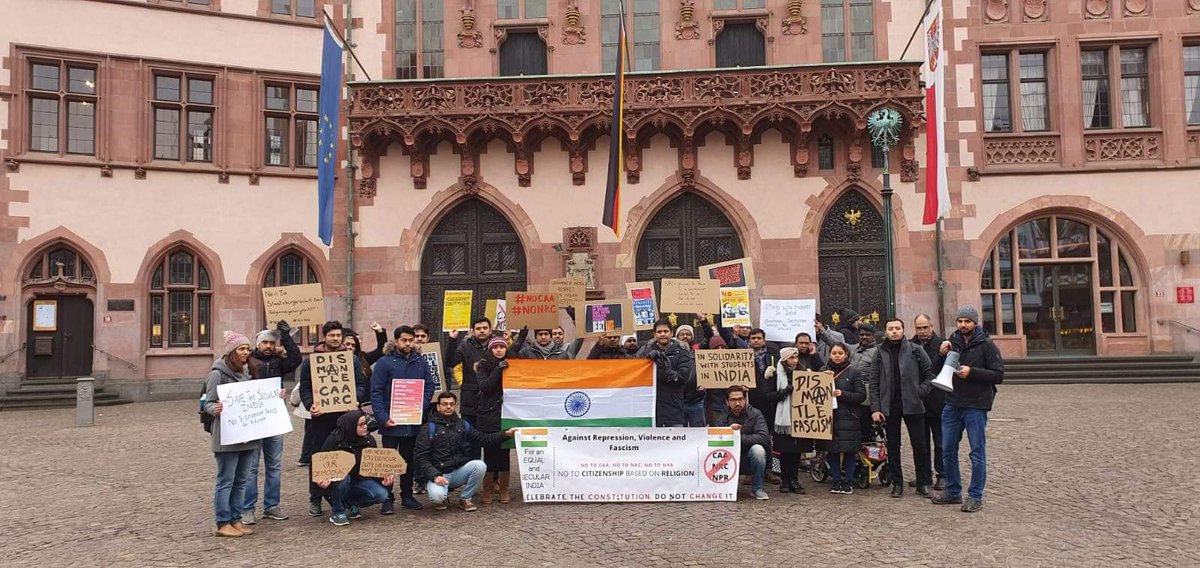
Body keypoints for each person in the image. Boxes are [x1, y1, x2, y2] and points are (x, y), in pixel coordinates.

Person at [204, 331, 281, 537]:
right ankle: (222, 522)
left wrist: (275, 397)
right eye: (241, 349)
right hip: (228, 437)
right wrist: (215, 409)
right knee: (226, 481)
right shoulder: (217, 374)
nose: (246, 352)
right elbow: (207, 403)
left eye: (247, 348)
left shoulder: (251, 371)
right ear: (232, 352)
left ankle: (236, 519)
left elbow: (259, 399)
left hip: (249, 435)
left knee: (241, 481)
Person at [931, 306, 1004, 513]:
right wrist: (940, 354)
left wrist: (972, 372)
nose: (963, 325)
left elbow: (998, 375)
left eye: (967, 321)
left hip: (976, 405)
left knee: (977, 452)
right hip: (952, 403)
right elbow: (934, 370)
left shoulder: (987, 345)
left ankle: (975, 496)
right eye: (960, 321)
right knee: (947, 450)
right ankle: (953, 492)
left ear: (975, 323)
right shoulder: (952, 342)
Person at [298, 321, 369, 518]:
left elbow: (360, 384)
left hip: (345, 416)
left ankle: (341, 496)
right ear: (325, 337)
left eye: (338, 335)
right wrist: (310, 404)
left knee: (344, 454)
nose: (336, 339)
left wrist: (356, 399)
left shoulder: (351, 360)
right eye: (332, 335)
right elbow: (304, 386)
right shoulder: (311, 361)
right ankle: (316, 498)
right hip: (321, 418)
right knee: (318, 457)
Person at [369, 325, 438, 514]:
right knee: (389, 460)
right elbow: (375, 392)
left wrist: (420, 406)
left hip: (412, 420)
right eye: (404, 340)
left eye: (411, 340)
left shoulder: (420, 361)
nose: (408, 343)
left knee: (409, 459)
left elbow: (429, 386)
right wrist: (383, 418)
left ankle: (407, 495)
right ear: (396, 341)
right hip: (391, 421)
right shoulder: (384, 363)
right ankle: (387, 497)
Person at [241, 321, 300, 525]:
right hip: (254, 421)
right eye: (264, 342)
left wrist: (286, 335)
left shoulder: (278, 362)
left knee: (274, 466)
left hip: (274, 420)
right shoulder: (246, 362)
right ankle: (247, 508)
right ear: (258, 344)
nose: (268, 346)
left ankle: (271, 506)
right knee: (251, 467)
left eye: (271, 343)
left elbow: (296, 358)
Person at [415, 392, 514, 512]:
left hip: (458, 472)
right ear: (438, 406)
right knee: (438, 498)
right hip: (438, 474)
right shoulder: (428, 428)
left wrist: (505, 434)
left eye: (451, 404)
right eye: (445, 404)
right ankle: (442, 496)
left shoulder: (463, 425)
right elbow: (421, 457)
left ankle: (465, 498)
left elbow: (483, 439)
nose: (448, 407)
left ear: (455, 406)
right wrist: (434, 475)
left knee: (480, 465)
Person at [869, 318, 935, 498]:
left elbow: (930, 375)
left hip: (913, 404)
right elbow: (873, 381)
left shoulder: (916, 350)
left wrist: (919, 392)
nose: (894, 331)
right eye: (891, 328)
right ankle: (897, 483)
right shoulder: (879, 352)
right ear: (885, 331)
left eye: (898, 328)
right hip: (889, 406)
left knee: (919, 444)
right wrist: (876, 408)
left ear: (903, 330)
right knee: (893, 445)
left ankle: (923, 482)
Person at [313, 410, 394, 526]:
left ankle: (351, 503)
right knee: (343, 478)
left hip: (358, 479)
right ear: (350, 426)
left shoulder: (369, 440)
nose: (365, 427)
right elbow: (320, 467)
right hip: (336, 483)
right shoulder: (334, 441)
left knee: (381, 494)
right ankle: (338, 511)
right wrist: (320, 483)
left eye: (365, 423)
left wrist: (384, 480)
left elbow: (373, 467)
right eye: (361, 425)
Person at [822, 343, 867, 495]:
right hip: (829, 418)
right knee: (832, 451)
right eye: (834, 352)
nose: (837, 355)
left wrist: (844, 394)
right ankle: (835, 480)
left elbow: (861, 396)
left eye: (840, 353)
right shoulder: (822, 371)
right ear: (830, 354)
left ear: (846, 354)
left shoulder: (854, 372)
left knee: (849, 451)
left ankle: (848, 481)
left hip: (848, 418)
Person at [713, 386, 771, 500]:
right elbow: (714, 439)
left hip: (747, 459)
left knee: (758, 450)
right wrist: (728, 431)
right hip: (726, 460)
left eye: (740, 399)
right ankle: (721, 488)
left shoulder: (755, 414)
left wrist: (736, 436)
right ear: (727, 402)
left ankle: (756, 489)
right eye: (733, 400)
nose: (737, 403)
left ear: (745, 399)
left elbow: (764, 438)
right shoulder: (721, 416)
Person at [475, 336, 514, 504]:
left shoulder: (512, 364)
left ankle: (504, 489)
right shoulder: (483, 365)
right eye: (495, 347)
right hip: (488, 415)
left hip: (506, 413)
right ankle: (488, 489)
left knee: (504, 453)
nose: (499, 349)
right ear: (490, 350)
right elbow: (486, 387)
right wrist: (498, 369)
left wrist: (523, 334)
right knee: (490, 454)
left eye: (502, 347)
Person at [911, 313, 947, 490]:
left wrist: (940, 356)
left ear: (932, 326)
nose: (922, 331)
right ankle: (924, 476)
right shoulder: (910, 345)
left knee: (940, 442)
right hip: (918, 402)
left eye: (925, 327)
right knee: (921, 442)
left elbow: (934, 371)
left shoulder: (942, 345)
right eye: (919, 328)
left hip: (938, 400)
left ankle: (942, 474)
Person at [638, 319, 695, 427]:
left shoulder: (682, 352)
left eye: (666, 331)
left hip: (674, 408)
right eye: (659, 332)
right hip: (652, 409)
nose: (663, 334)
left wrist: (667, 371)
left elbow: (683, 377)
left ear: (672, 333)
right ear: (654, 334)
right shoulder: (645, 352)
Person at [443, 318, 494, 430]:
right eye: (478, 328)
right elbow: (450, 362)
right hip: (470, 402)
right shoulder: (465, 346)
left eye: (485, 328)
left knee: (491, 441)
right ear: (473, 331)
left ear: (490, 330)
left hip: (492, 403)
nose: (482, 331)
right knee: (469, 442)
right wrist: (452, 340)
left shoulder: (497, 346)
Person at [771, 347, 807, 494]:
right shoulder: (774, 374)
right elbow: (768, 395)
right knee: (785, 451)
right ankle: (785, 480)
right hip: (783, 419)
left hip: (799, 416)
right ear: (785, 359)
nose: (795, 361)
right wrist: (784, 393)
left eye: (796, 357)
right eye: (791, 358)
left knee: (796, 451)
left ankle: (794, 479)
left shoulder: (803, 373)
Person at [851, 322, 879, 442]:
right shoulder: (855, 350)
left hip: (868, 398)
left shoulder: (877, 352)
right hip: (854, 394)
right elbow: (836, 344)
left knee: (867, 431)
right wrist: (822, 331)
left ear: (873, 336)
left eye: (868, 335)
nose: (864, 337)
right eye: (862, 334)